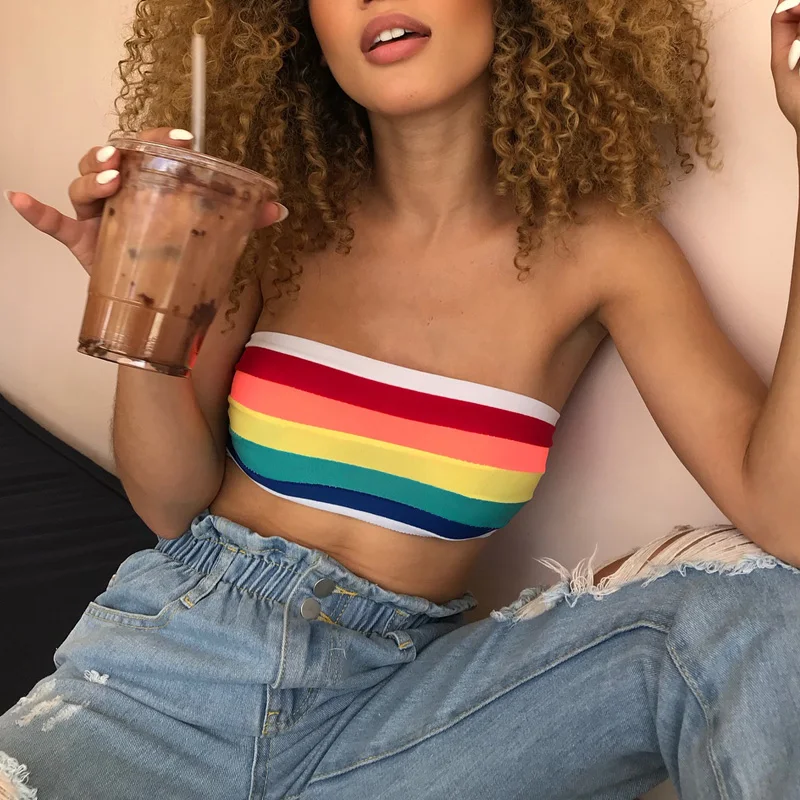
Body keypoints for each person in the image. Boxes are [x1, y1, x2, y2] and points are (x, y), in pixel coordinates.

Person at [3, 0, 800, 797]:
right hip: (164, 684)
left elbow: (787, 518)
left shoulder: (606, 253)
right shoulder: (265, 220)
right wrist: (146, 306)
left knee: (756, 602)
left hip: (396, 728)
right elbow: (170, 506)